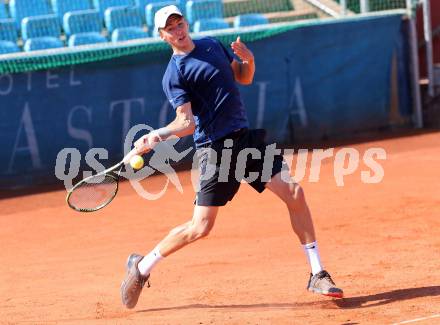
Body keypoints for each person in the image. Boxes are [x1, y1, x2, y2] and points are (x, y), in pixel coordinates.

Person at [121, 5, 343, 309]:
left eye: (179, 22)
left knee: (294, 192)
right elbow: (186, 123)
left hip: (245, 139)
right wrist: (157, 135)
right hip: (215, 150)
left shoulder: (212, 44)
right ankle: (142, 267)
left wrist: (248, 60)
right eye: (170, 28)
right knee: (201, 228)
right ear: (162, 36)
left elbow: (243, 77)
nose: (178, 29)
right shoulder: (175, 73)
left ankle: (317, 273)